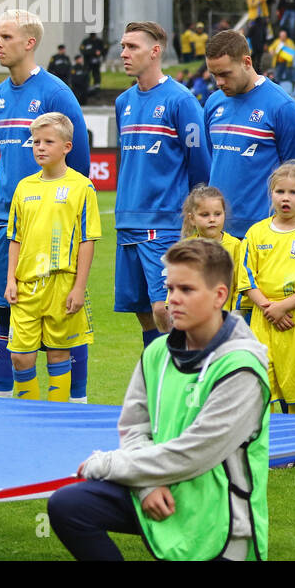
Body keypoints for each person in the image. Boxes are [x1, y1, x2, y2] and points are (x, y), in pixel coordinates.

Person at [47, 239, 270, 561]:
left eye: (186, 290)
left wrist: (109, 465)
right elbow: (135, 426)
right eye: (170, 288)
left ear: (219, 296)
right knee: (70, 505)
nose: (172, 301)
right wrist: (146, 485)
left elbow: (194, 452)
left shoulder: (242, 367)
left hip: (222, 519)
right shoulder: (157, 352)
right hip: (163, 487)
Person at [0, 10, 91, 399]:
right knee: (6, 307)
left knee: (64, 314)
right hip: (6, 222)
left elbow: (77, 162)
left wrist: (55, 208)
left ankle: (75, 399)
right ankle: (4, 397)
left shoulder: (55, 93)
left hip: (52, 226)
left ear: (29, 43)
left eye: (6, 37)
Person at [114, 21, 211, 348]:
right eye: (123, 46)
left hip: (164, 224)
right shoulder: (123, 102)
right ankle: (157, 382)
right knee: (143, 311)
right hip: (127, 221)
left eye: (132, 47)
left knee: (165, 309)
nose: (124, 53)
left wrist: (190, 216)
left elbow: (200, 164)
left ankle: (183, 382)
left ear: (155, 52)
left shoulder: (181, 101)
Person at [4, 112, 100, 401]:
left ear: (67, 147)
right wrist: (11, 279)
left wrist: (79, 287)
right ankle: (27, 415)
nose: (40, 147)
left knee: (58, 354)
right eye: (36, 142)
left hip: (61, 284)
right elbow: (15, 237)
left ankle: (54, 415)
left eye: (48, 141)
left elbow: (87, 240)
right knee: (20, 357)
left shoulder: (82, 187)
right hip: (25, 286)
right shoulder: (24, 187)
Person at [242, 162, 295, 419]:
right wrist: (270, 308)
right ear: (271, 194)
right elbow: (246, 278)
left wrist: (283, 307)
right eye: (280, 192)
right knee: (261, 384)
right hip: (263, 317)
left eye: (293, 192)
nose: (285, 198)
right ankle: (267, 447)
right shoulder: (256, 233)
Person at [202, 30, 295, 238]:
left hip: (265, 235)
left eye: (225, 74)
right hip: (217, 233)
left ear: (246, 62)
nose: (219, 82)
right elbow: (211, 160)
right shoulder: (213, 104)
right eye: (214, 75)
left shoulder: (282, 106)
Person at [181, 184, 245, 311]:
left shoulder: (235, 246)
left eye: (217, 214)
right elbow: (177, 284)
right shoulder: (185, 248)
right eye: (205, 215)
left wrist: (235, 314)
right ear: (192, 218)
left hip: (224, 320)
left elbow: (241, 286)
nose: (212, 219)